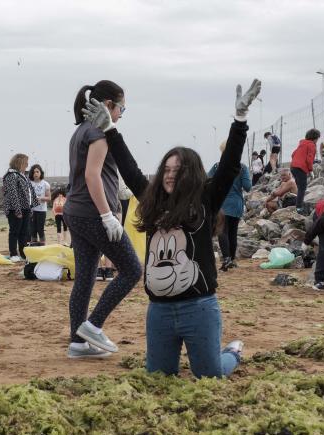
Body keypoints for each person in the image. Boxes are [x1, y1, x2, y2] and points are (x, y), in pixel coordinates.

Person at [83, 78, 261, 378]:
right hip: (160, 312)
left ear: (190, 173)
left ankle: (231, 353)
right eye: (166, 170)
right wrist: (111, 131)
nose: (169, 176)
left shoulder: (206, 198)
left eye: (176, 171)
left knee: (210, 375)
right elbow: (130, 169)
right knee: (158, 379)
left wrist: (240, 121)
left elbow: (230, 165)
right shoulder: (153, 201)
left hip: (199, 308)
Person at [62, 80, 142, 360]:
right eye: (121, 108)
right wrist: (107, 215)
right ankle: (93, 326)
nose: (120, 114)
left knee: (84, 278)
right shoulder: (98, 132)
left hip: (75, 211)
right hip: (93, 213)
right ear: (108, 106)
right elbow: (92, 175)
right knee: (132, 269)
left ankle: (77, 343)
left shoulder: (80, 131)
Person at [208, 141, 252, 271]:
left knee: (222, 231)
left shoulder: (217, 167)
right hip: (237, 204)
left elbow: (207, 181)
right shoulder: (242, 168)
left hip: (222, 204)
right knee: (232, 232)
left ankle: (227, 259)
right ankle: (231, 259)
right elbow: (248, 187)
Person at [2, 154, 36, 261]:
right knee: (15, 232)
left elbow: (29, 192)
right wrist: (17, 210)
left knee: (24, 232)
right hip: (14, 209)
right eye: (25, 162)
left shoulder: (23, 175)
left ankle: (23, 253)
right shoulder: (11, 175)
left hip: (25, 208)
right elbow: (13, 194)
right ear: (19, 162)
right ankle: (13, 254)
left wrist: (31, 208)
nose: (27, 165)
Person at [290, 128, 320, 214]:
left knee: (300, 187)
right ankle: (299, 208)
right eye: (317, 138)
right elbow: (309, 159)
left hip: (293, 167)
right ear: (315, 138)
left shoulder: (302, 143)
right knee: (302, 188)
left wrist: (296, 161)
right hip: (300, 168)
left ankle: (299, 203)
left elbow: (293, 154)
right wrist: (311, 170)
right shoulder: (312, 145)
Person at [29, 164, 50, 244]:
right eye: (34, 172)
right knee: (33, 230)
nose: (36, 174)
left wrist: (40, 198)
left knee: (40, 229)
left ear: (41, 173)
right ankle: (33, 246)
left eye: (37, 172)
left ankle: (42, 245)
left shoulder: (45, 184)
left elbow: (49, 198)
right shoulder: (29, 183)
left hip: (41, 210)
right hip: (31, 210)